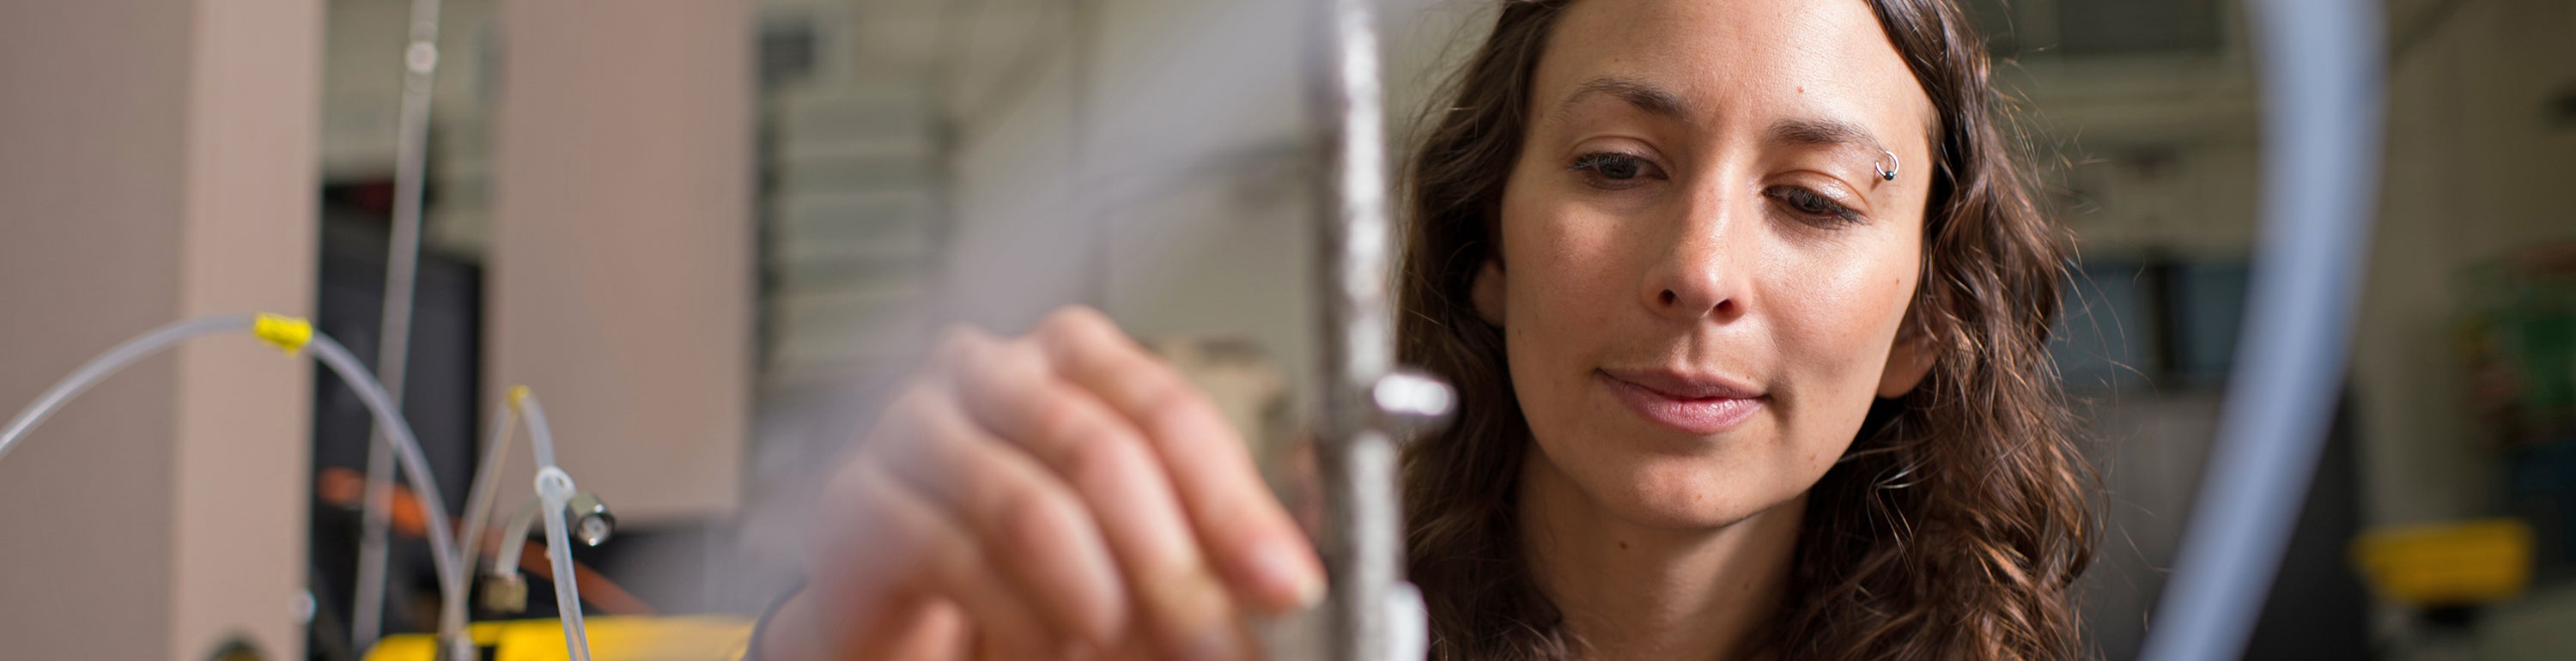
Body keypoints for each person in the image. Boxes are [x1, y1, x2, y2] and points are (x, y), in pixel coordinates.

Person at [753, 0, 2093, 658]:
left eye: (1808, 198)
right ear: (1488, 250)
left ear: (1927, 322)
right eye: (1620, 165)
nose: (1700, 270)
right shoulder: (1265, 619)